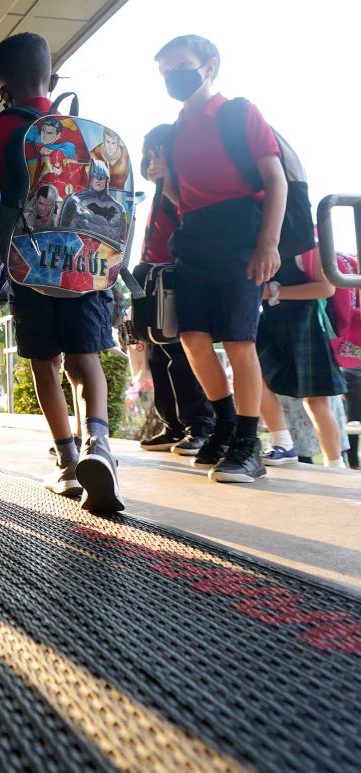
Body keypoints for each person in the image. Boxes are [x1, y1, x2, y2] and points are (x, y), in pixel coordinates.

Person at [0, 31, 123, 513]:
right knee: (85, 361)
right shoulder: (84, 131)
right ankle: (99, 443)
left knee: (44, 363)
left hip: (30, 264)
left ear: (1, 85)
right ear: (52, 79)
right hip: (84, 263)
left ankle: (66, 462)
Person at [156, 34, 286, 483]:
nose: (173, 77)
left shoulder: (239, 113)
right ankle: (225, 425)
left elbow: (276, 179)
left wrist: (268, 244)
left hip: (239, 232)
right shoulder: (173, 131)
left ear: (208, 66)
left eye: (181, 67)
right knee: (192, 337)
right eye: (166, 71)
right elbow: (182, 200)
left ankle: (250, 442)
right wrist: (165, 181)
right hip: (194, 236)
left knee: (237, 339)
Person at [136, 124, 215, 455]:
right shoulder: (158, 192)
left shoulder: (183, 188)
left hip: (176, 278)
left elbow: (193, 222)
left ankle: (201, 425)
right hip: (155, 279)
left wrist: (167, 183)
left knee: (181, 355)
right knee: (159, 353)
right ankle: (173, 424)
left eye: (155, 153)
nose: (149, 161)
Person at [257, 247, 347, 468]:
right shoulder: (253, 242)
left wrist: (273, 291)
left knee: (316, 401)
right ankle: (282, 443)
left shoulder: (310, 245)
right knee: (255, 381)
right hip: (269, 326)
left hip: (306, 327)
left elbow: (326, 288)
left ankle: (335, 465)